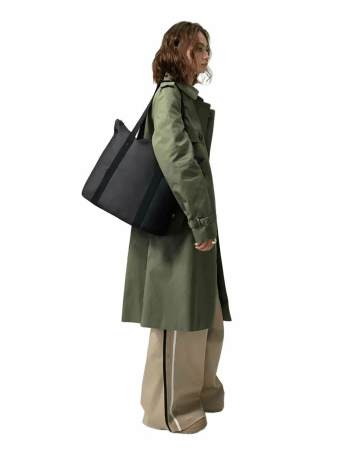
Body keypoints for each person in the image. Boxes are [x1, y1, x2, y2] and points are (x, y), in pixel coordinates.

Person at [121, 21, 232, 434]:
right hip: (178, 229)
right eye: (198, 48)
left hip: (192, 226)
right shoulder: (168, 96)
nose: (206, 56)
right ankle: (170, 412)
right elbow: (178, 161)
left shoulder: (186, 99)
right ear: (177, 49)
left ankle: (200, 396)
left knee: (206, 316)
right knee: (179, 320)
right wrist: (201, 223)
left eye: (207, 48)